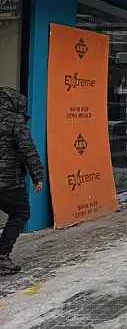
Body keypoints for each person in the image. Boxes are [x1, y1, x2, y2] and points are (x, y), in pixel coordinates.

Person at [0, 87, 44, 274]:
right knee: (20, 213)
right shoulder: (14, 121)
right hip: (8, 179)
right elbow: (27, 149)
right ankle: (1, 256)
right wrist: (37, 175)